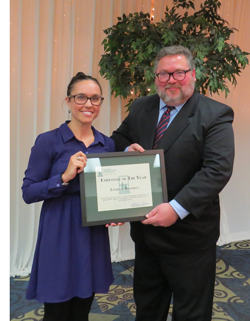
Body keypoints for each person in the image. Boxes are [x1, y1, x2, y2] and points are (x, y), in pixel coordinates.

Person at [111, 45, 235, 321]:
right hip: (145, 234)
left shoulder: (215, 114)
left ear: (192, 74)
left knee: (191, 312)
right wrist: (128, 149)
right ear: (155, 77)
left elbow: (217, 170)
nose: (171, 80)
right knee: (148, 306)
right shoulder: (142, 106)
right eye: (163, 74)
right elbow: (118, 137)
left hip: (189, 238)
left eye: (179, 72)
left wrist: (177, 208)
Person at [22, 72, 118, 321]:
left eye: (95, 98)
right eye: (81, 97)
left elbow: (108, 191)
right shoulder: (48, 141)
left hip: (93, 232)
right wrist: (63, 178)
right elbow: (28, 192)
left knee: (82, 308)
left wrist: (116, 212)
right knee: (57, 308)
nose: (89, 104)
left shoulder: (106, 144)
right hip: (60, 230)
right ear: (68, 101)